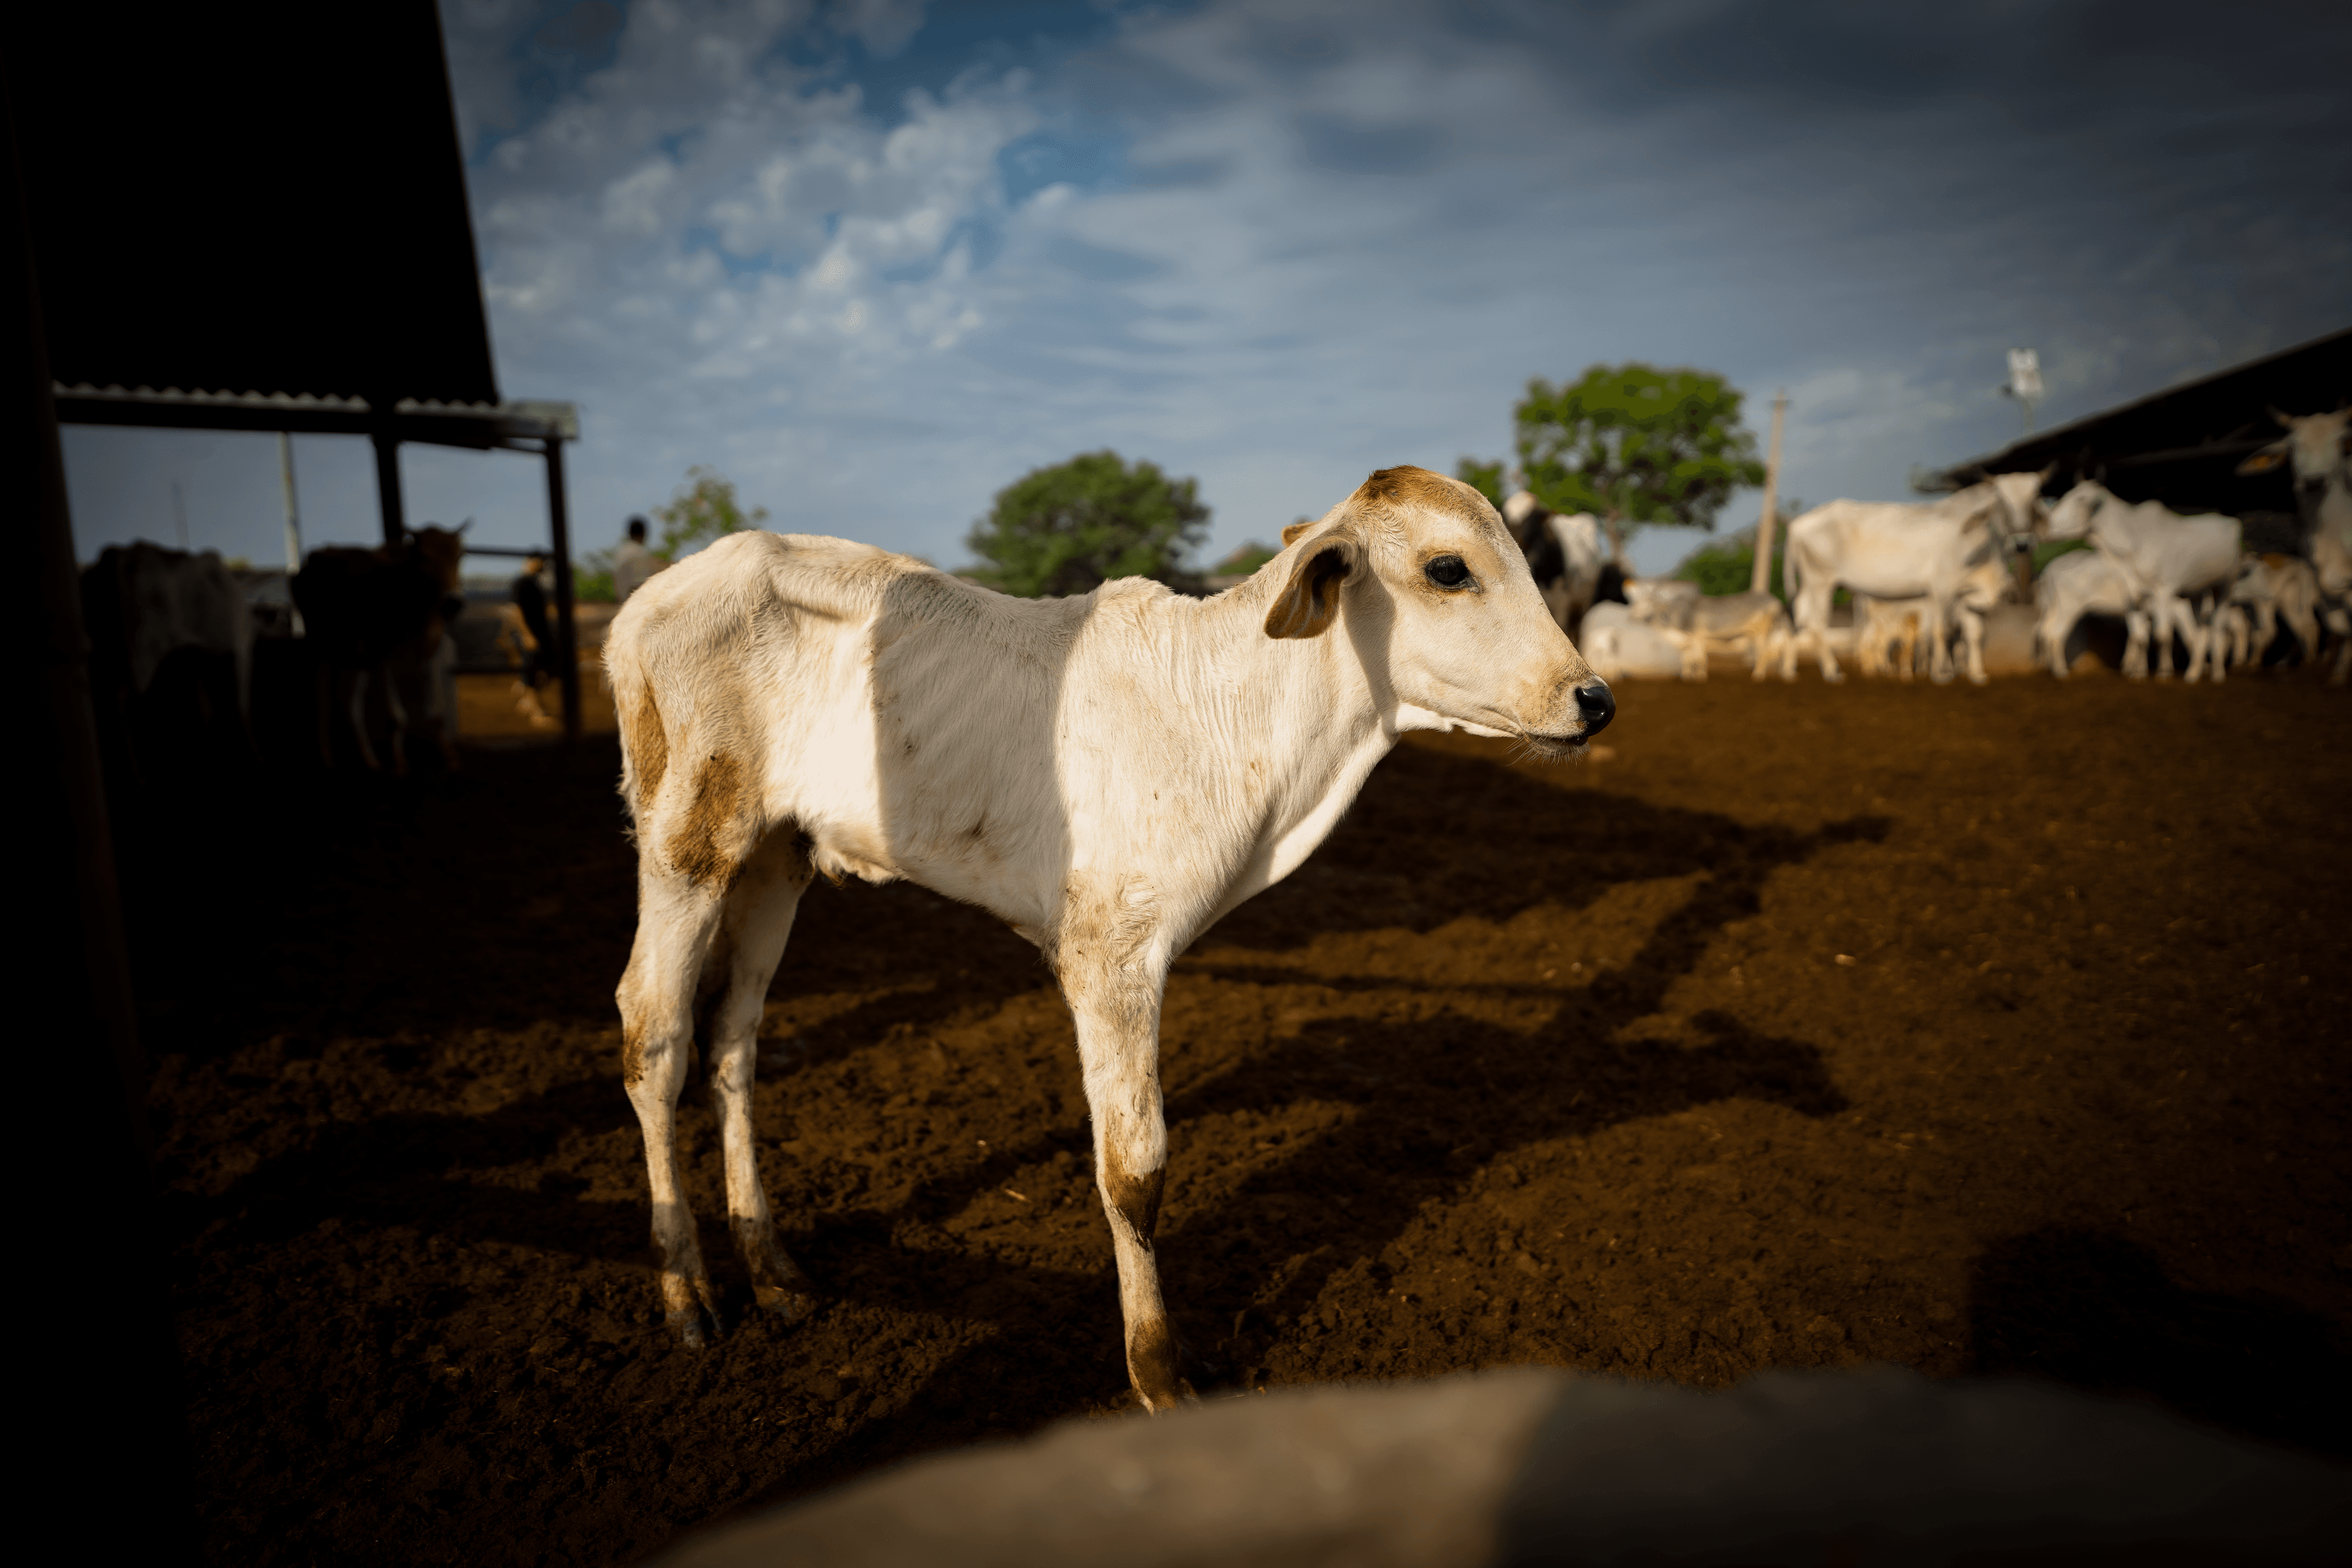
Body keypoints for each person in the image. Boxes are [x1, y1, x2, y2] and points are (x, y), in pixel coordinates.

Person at [614, 515, 657, 603]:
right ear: (644, 533)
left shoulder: (621, 552)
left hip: (622, 603)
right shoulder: (639, 553)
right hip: (635, 604)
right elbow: (638, 585)